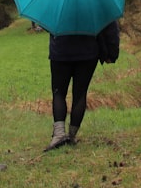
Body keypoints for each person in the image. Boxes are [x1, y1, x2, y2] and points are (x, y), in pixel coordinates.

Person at [44, 19, 120, 151]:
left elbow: (45, 22)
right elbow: (109, 24)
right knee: (80, 94)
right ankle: (72, 136)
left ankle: (59, 135)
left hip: (60, 50)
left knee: (58, 92)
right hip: (88, 51)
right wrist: (112, 52)